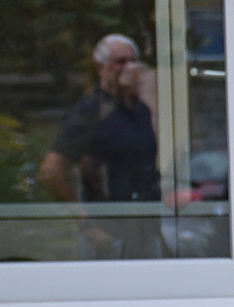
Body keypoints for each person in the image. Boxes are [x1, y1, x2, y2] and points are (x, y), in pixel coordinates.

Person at [40, 35, 160, 254]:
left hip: (146, 230)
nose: (129, 67)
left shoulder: (140, 110)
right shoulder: (90, 112)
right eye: (120, 62)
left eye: (133, 61)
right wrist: (88, 226)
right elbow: (51, 172)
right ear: (101, 68)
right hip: (108, 235)